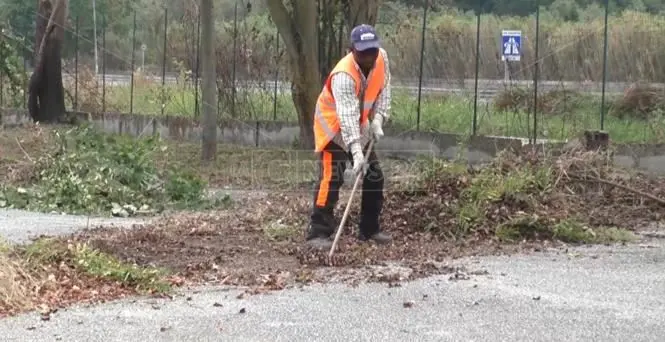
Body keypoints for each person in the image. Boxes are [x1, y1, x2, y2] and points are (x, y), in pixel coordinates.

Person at [306, 24, 393, 250]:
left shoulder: (381, 59)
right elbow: (346, 116)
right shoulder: (343, 75)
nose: (369, 57)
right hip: (333, 127)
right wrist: (356, 153)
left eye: (372, 50)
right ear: (352, 50)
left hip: (360, 123)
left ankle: (369, 228)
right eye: (363, 52)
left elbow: (384, 90)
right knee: (331, 178)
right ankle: (318, 232)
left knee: (375, 176)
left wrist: (379, 119)